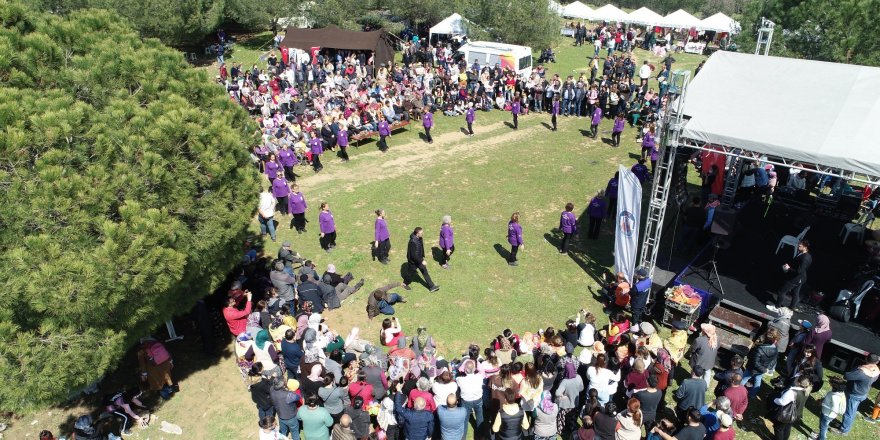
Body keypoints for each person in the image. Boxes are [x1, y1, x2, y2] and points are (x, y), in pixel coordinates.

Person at [835, 353, 880, 435]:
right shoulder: (877, 370)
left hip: (854, 394)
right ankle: (845, 425)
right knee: (852, 411)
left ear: (866, 358)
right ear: (876, 362)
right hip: (863, 393)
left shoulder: (861, 372)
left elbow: (846, 376)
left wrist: (856, 368)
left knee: (849, 413)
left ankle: (844, 430)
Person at [768, 239, 812, 312]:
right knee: (795, 293)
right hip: (801, 278)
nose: (798, 246)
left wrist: (789, 268)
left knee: (781, 291)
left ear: (805, 246)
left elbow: (799, 271)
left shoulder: (805, 258)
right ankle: (791, 308)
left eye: (800, 245)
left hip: (795, 279)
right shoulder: (805, 254)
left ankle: (777, 307)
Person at [402, 227, 440, 292]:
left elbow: (420, 248)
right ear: (417, 233)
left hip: (419, 259)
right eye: (421, 233)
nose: (423, 234)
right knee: (410, 273)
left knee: (424, 271)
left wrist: (422, 257)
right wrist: (422, 261)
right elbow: (413, 255)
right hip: (413, 261)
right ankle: (404, 284)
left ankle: (432, 287)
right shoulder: (412, 242)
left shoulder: (419, 238)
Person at [772, 376, 810, 440]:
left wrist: (774, 399)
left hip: (787, 414)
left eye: (796, 379)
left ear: (798, 383)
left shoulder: (792, 392)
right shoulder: (806, 391)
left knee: (779, 429)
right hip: (796, 414)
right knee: (787, 427)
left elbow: (782, 402)